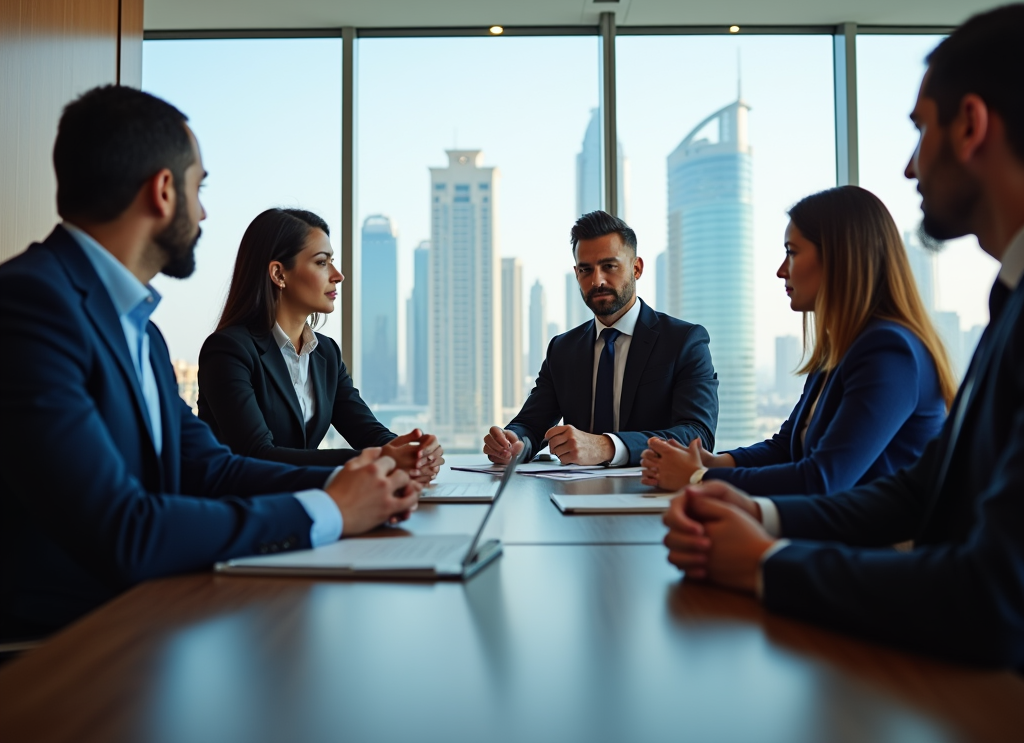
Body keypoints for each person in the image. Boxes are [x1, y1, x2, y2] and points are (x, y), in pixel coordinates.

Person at [662, 3, 1024, 669]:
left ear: (970, 125)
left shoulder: (892, 348)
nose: (912, 168)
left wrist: (768, 562)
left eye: (921, 131)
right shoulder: (1007, 301)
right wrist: (756, 516)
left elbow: (997, 593)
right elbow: (923, 491)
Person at [0, 86, 419, 641]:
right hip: (61, 647)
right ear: (164, 190)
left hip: (146, 620)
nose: (203, 211)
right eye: (199, 188)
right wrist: (330, 511)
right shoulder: (29, 306)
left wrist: (354, 481)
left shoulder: (139, 330)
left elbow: (211, 468)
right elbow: (125, 529)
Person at [640, 186, 955, 497]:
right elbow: (787, 447)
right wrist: (717, 462)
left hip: (883, 544)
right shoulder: (841, 349)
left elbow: (822, 480)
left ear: (838, 257)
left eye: (792, 252)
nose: (780, 271)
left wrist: (699, 477)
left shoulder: (889, 352)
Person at [197, 208, 443, 481]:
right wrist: (380, 459)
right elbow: (256, 454)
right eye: (322, 262)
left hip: (307, 504)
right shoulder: (228, 351)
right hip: (242, 510)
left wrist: (413, 451)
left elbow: (367, 433)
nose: (338, 275)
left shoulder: (325, 353)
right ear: (279, 274)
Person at [484, 211, 719, 467]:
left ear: (636, 268)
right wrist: (513, 442)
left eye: (609, 266)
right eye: (586, 269)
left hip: (652, 493)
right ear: (576, 274)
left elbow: (698, 436)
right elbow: (531, 424)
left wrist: (607, 446)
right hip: (572, 497)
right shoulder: (563, 349)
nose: (597, 281)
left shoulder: (684, 341)